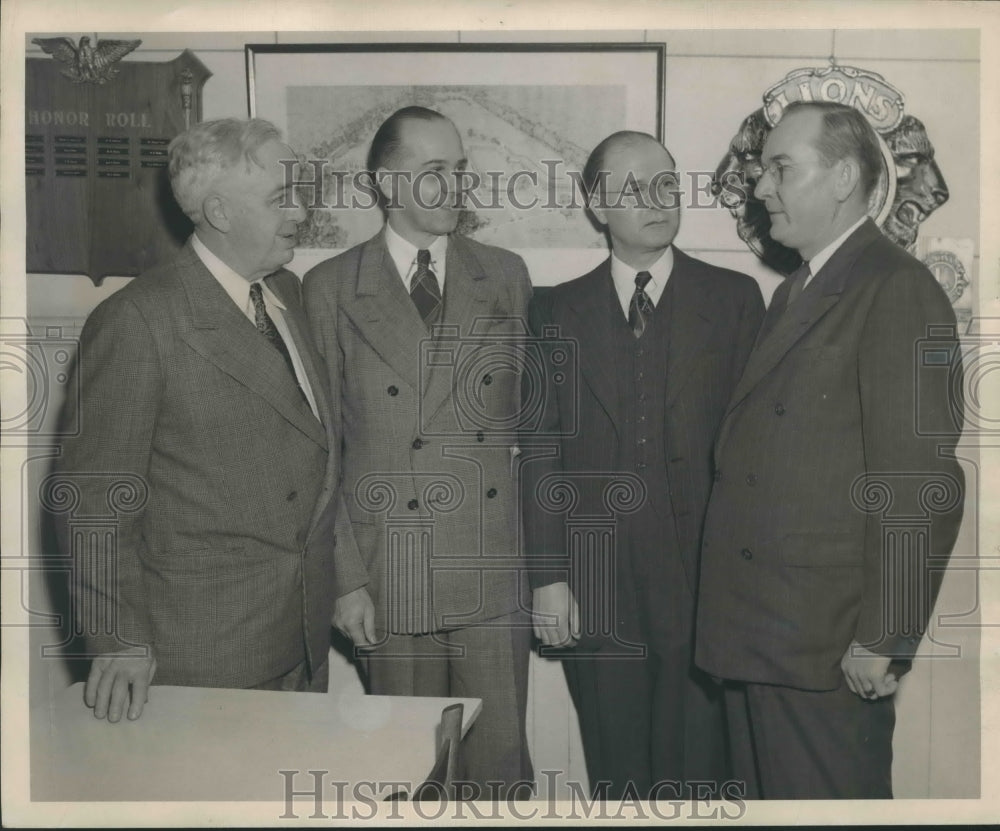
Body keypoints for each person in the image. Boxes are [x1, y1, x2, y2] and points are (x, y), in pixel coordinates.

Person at [695, 101, 965, 799]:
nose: (759, 186)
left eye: (782, 167)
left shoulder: (896, 287)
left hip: (824, 647)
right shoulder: (797, 290)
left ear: (844, 176)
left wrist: (885, 635)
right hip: (766, 635)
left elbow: (921, 481)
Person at [53, 118, 357, 721]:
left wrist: (346, 580)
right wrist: (118, 639)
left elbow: (313, 452)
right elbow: (91, 499)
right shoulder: (140, 320)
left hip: (298, 635)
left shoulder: (287, 294)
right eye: (281, 199)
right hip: (201, 653)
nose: (300, 212)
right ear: (219, 212)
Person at [520, 130, 765, 799]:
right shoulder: (553, 310)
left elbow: (754, 452)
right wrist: (548, 578)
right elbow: (541, 449)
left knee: (704, 770)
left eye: (666, 184)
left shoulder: (735, 298)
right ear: (597, 204)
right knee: (618, 767)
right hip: (596, 583)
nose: (658, 200)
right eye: (634, 188)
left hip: (705, 582)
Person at [303, 106, 533, 796]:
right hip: (389, 573)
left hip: (490, 570)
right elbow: (323, 451)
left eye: (460, 169)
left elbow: (531, 430)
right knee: (407, 775)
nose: (456, 186)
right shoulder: (331, 287)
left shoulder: (506, 274)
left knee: (497, 772)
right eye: (435, 171)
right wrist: (345, 578)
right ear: (386, 181)